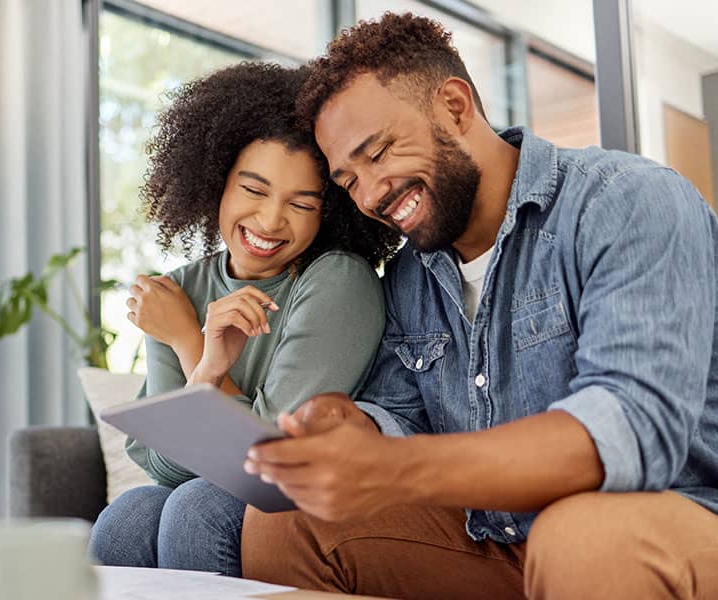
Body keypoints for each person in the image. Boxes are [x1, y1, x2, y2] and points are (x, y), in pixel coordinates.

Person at [241, 13, 718, 600]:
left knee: (582, 538)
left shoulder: (627, 201)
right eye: (347, 181)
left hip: (672, 523)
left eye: (381, 151)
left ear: (456, 106)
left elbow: (631, 426)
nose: (369, 195)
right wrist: (353, 425)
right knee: (285, 519)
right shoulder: (412, 274)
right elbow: (401, 412)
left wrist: (397, 468)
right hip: (496, 540)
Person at [86, 62, 401, 577]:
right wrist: (206, 368)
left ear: (328, 213)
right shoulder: (180, 288)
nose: (271, 220)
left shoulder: (337, 281)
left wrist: (191, 343)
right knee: (128, 515)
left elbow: (270, 462)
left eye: (301, 203)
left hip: (314, 500)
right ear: (216, 184)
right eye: (254, 191)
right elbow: (162, 464)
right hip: (215, 492)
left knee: (199, 507)